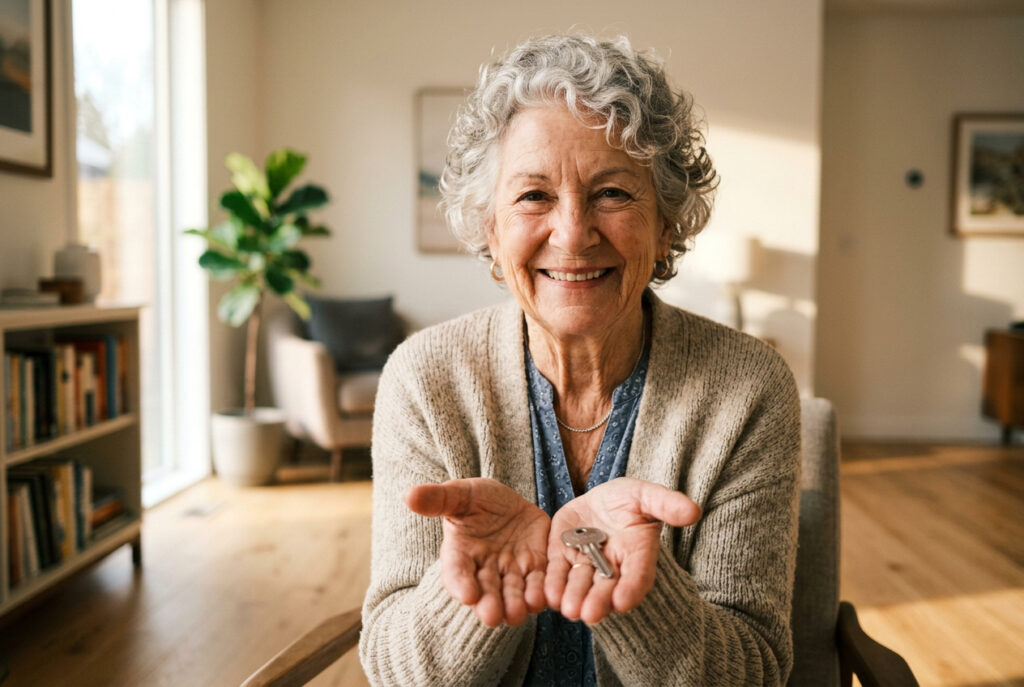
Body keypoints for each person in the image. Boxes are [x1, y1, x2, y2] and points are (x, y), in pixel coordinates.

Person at [359, 33, 800, 686]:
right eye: (534, 196)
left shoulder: (747, 389)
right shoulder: (425, 380)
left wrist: (638, 592)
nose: (572, 234)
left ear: (668, 223)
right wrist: (473, 592)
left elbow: (755, 670)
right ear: (491, 227)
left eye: (613, 193)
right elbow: (395, 668)